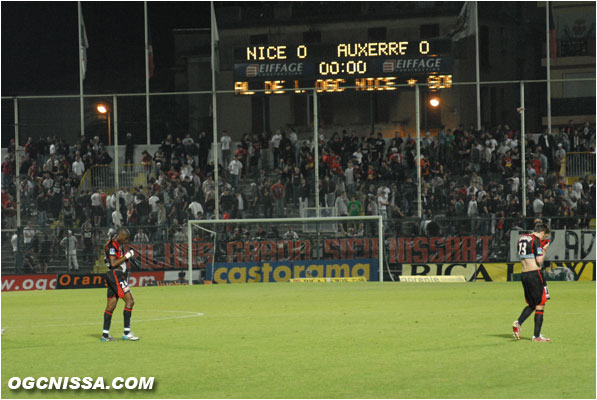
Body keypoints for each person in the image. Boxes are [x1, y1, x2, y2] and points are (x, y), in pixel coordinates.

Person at [512, 223, 552, 342]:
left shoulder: (521, 238)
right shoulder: (536, 240)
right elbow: (539, 261)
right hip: (535, 274)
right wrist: (544, 248)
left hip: (524, 275)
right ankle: (536, 336)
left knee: (532, 304)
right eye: (544, 236)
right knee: (541, 303)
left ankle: (518, 323)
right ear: (541, 232)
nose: (544, 239)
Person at [101, 227, 139, 342]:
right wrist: (127, 256)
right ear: (120, 235)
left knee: (111, 306)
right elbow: (113, 263)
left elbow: (108, 260)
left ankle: (105, 335)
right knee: (130, 301)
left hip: (113, 275)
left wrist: (125, 259)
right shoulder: (113, 245)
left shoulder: (115, 244)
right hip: (115, 275)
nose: (126, 240)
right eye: (125, 238)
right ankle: (127, 333)